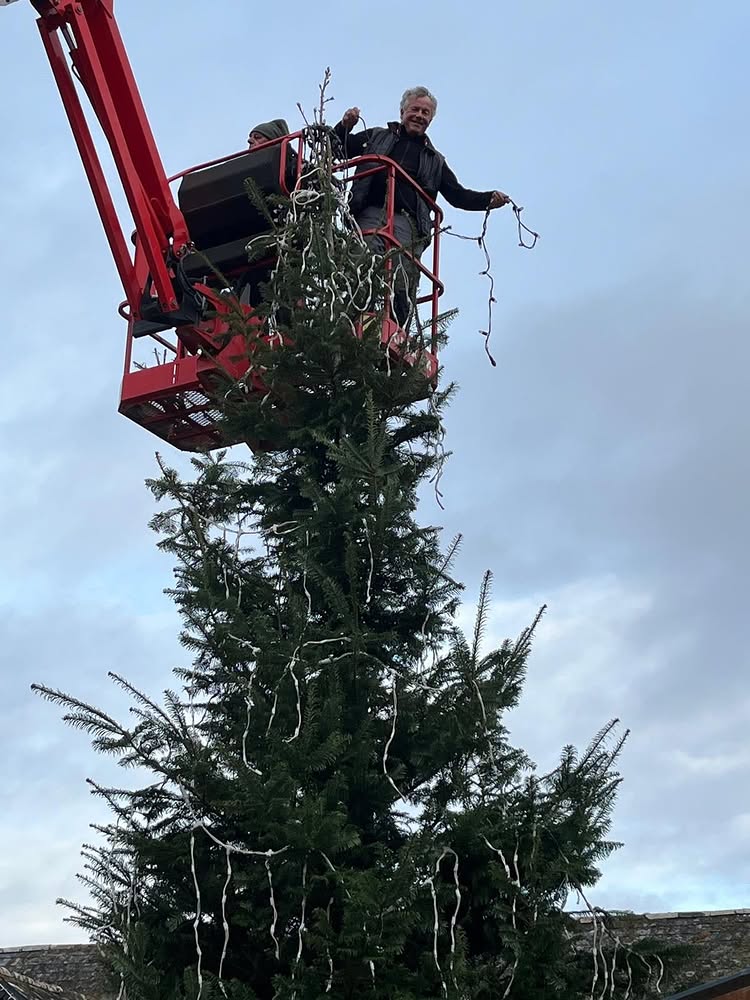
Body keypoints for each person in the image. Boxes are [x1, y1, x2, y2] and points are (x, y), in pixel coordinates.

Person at [334, 87, 510, 327]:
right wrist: (345, 125)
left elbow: (457, 195)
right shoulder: (377, 136)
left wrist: (488, 199)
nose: (419, 115)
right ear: (402, 111)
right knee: (360, 263)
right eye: (415, 109)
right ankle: (347, 321)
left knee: (400, 277)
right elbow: (338, 147)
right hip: (371, 211)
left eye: (425, 112)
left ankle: (394, 330)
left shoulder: (434, 160)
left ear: (431, 119)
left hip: (408, 222)